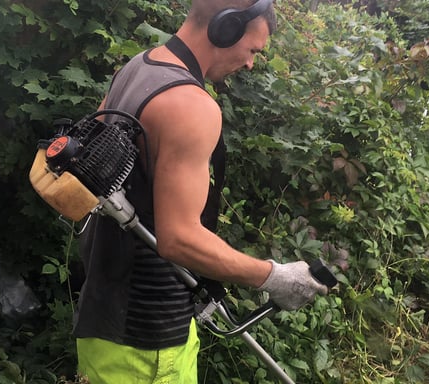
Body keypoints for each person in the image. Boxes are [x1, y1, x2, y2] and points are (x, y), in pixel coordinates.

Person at [73, 1, 330, 383]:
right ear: (225, 29)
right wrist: (273, 277)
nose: (250, 64)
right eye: (253, 50)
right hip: (147, 345)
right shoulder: (191, 106)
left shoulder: (137, 67)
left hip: (102, 316)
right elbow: (178, 240)